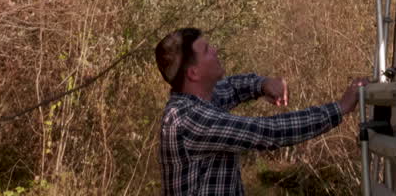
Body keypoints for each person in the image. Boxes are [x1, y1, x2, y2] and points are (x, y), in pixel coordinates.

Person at [155, 27, 364, 196]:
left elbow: (233, 87)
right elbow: (268, 132)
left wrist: (263, 84)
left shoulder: (202, 100)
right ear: (194, 73)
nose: (215, 50)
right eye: (207, 50)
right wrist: (340, 108)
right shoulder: (187, 119)